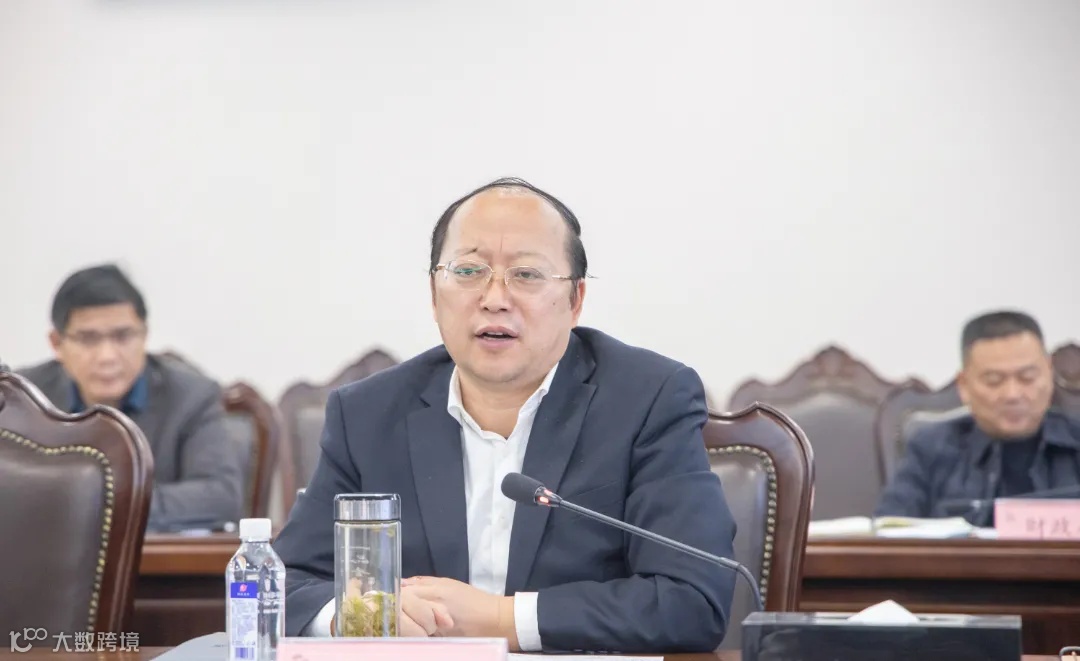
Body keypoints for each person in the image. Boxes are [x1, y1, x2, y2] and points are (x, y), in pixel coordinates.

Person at [273, 178, 737, 653]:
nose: (494, 298)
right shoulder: (367, 415)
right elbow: (282, 586)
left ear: (575, 300)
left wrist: (499, 618)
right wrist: (362, 617)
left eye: (527, 275)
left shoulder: (648, 399)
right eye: (468, 271)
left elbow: (693, 599)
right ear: (434, 293)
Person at [18, 264, 244, 527]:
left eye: (123, 336)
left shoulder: (191, 397)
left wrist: (97, 504)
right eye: (88, 339)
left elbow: (220, 496)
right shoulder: (22, 397)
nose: (107, 356)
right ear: (57, 343)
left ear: (144, 335)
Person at [876, 311, 1080, 525]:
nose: (1012, 394)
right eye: (994, 380)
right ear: (964, 384)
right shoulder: (931, 449)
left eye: (1027, 377)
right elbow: (889, 531)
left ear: (1049, 372)